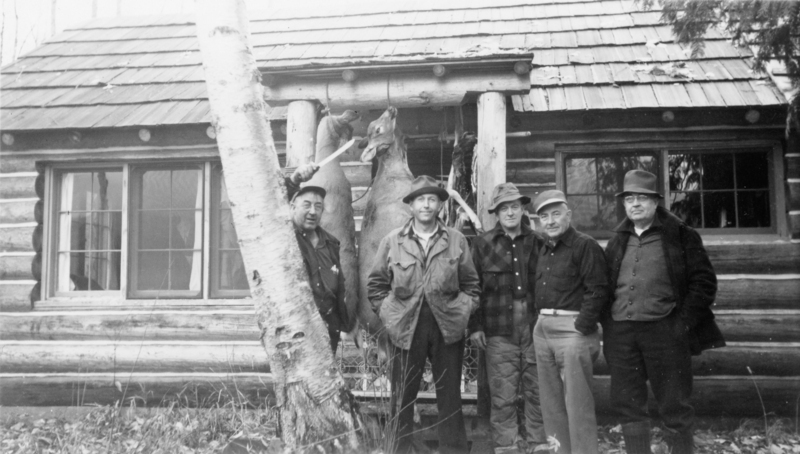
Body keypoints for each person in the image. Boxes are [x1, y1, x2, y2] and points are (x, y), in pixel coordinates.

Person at [603, 170, 724, 454]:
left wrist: (681, 325)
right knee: (628, 403)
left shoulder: (680, 235)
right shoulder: (618, 239)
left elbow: (704, 283)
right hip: (621, 334)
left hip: (665, 332)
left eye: (642, 198)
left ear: (656, 202)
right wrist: (609, 324)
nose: (635, 204)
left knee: (674, 404)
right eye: (629, 198)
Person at [367, 175, 480, 454]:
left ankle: (453, 451)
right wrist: (390, 316)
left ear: (440, 206)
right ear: (411, 206)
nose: (426, 205)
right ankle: (398, 450)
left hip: (447, 327)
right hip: (405, 329)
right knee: (402, 397)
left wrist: (461, 311)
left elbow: (472, 286)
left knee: (450, 396)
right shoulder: (393, 242)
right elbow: (376, 286)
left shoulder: (456, 240)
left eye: (432, 199)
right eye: (420, 200)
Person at [528, 190, 608, 454]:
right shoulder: (544, 248)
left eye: (555, 214)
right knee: (551, 401)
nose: (549, 221)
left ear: (568, 215)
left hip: (572, 330)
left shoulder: (585, 245)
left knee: (577, 403)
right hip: (543, 330)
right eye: (543, 216)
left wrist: (581, 329)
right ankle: (560, 450)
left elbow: (597, 290)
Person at [469, 183, 546, 453]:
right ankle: (507, 446)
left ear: (523, 209)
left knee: (539, 390)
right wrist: (475, 326)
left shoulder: (539, 242)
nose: (510, 212)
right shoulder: (482, 244)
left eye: (515, 206)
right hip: (498, 329)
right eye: (504, 208)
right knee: (503, 394)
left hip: (536, 328)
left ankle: (540, 443)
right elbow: (472, 287)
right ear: (496, 213)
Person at [286, 163, 354, 352]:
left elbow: (339, 285)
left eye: (318, 207)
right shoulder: (286, 237)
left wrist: (343, 322)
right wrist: (294, 181)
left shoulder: (331, 243)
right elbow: (272, 204)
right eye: (306, 205)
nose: (313, 211)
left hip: (329, 325)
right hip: (296, 326)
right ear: (292, 207)